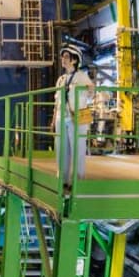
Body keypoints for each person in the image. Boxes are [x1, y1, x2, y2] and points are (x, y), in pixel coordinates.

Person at [52, 44, 92, 185]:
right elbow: (57, 102)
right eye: (63, 56)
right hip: (61, 119)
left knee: (77, 149)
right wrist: (53, 120)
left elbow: (91, 91)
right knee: (61, 150)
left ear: (75, 60)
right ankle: (62, 180)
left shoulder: (82, 76)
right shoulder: (61, 79)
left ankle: (77, 181)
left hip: (77, 118)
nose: (63, 59)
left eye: (67, 57)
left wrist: (90, 89)